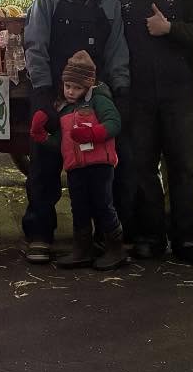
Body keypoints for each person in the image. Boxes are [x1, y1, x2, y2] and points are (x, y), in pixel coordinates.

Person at [20, 0, 129, 264]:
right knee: (44, 166)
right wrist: (42, 95)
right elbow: (35, 47)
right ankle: (40, 234)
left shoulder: (108, 2)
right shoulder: (47, 0)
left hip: (94, 99)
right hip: (57, 95)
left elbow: (116, 50)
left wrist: (119, 91)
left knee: (95, 172)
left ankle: (101, 238)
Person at [113, 0, 193, 264]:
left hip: (179, 94)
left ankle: (190, 239)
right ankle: (151, 236)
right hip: (137, 97)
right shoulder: (116, 0)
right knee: (143, 168)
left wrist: (171, 28)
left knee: (185, 167)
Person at [31, 51, 126, 270]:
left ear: (88, 85)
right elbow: (63, 142)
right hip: (76, 168)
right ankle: (82, 247)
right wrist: (42, 136)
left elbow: (114, 123)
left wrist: (94, 133)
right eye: (67, 86)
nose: (71, 92)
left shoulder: (99, 101)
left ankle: (115, 247)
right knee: (79, 207)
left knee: (103, 205)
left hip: (99, 165)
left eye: (76, 87)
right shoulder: (64, 109)